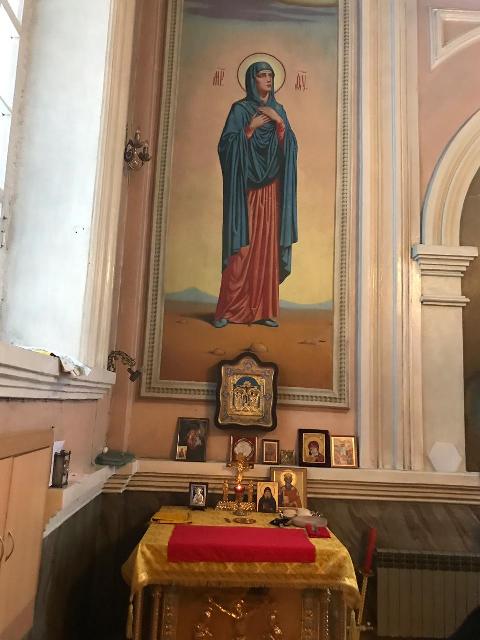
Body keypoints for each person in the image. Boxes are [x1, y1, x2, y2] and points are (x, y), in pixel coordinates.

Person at [213, 60, 297, 328]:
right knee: (242, 250)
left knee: (266, 250)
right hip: (245, 191)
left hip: (271, 192)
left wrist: (279, 123)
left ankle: (264, 311)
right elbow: (226, 147)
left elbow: (290, 148)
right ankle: (227, 310)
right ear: (252, 79)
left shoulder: (279, 110)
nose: (268, 79)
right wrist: (249, 129)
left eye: (271, 75)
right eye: (262, 75)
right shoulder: (239, 110)